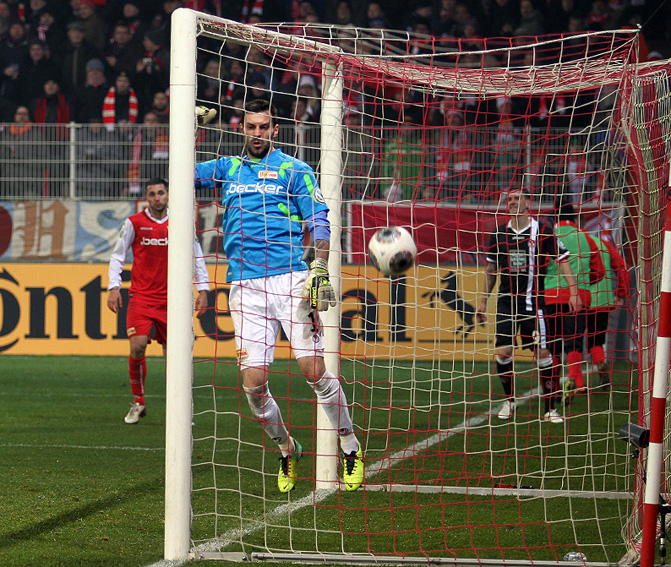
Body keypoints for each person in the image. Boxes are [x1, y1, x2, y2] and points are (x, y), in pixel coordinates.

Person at [193, 99, 364, 493]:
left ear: (275, 130)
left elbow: (319, 219)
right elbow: (180, 175)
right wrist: (190, 129)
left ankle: (349, 445)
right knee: (253, 384)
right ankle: (287, 448)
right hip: (244, 286)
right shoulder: (227, 168)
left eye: (263, 127)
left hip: (290, 280)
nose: (257, 133)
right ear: (242, 129)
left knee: (313, 370)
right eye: (250, 127)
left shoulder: (294, 169)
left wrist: (320, 267)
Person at [107, 178, 210, 424]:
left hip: (174, 299)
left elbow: (196, 255)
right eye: (152, 194)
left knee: (174, 354)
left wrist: (203, 289)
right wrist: (113, 287)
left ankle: (179, 408)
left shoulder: (181, 222)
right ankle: (138, 401)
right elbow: (118, 256)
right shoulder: (134, 223)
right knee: (137, 346)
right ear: (146, 197)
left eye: (161, 193)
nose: (157, 198)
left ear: (168, 195)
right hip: (141, 297)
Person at [476, 187, 580, 424]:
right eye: (509, 199)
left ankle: (550, 409)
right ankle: (510, 400)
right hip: (506, 303)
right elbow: (491, 270)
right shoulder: (499, 233)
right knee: (503, 353)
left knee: (543, 353)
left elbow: (563, 260)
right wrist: (483, 301)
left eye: (517, 198)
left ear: (527, 203)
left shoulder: (542, 230)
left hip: (534, 304)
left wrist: (573, 292)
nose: (512, 202)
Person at [544, 200, 604, 395]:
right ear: (575, 218)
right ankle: (577, 383)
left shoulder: (549, 236)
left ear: (555, 217)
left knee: (552, 342)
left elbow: (539, 266)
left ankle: (553, 385)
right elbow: (599, 271)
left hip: (551, 296)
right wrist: (584, 281)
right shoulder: (586, 238)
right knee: (574, 340)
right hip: (578, 296)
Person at [581, 216, 629, 389]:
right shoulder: (602, 244)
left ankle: (576, 382)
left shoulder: (568, 243)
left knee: (574, 342)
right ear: (585, 225)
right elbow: (622, 267)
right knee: (596, 340)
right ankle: (601, 363)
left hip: (577, 299)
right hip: (602, 300)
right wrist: (620, 294)